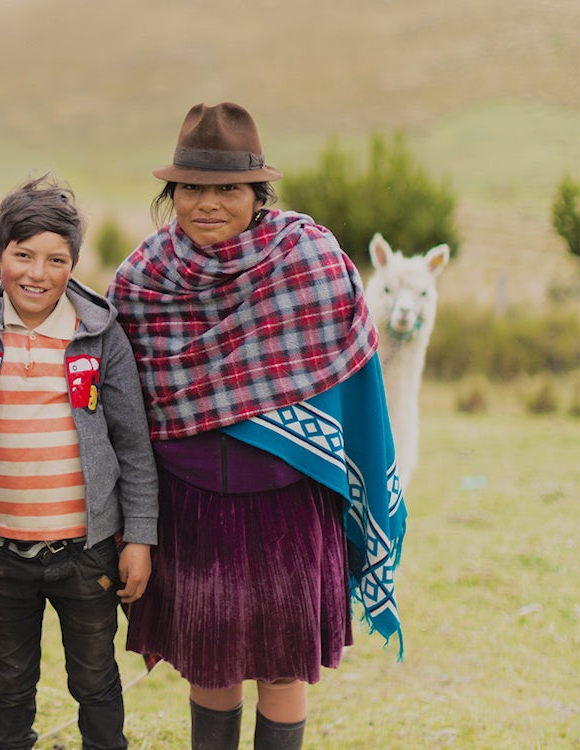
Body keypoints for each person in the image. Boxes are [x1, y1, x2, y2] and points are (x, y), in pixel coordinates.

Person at [106, 103, 407, 750]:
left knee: (282, 668)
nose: (207, 203)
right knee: (211, 669)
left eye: (228, 188)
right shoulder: (142, 281)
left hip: (290, 502)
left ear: (258, 194)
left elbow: (356, 381)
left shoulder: (311, 262)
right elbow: (122, 410)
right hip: (190, 506)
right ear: (171, 193)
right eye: (192, 187)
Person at [0, 175, 158, 750]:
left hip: (86, 551)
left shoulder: (100, 335)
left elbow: (133, 445)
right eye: (23, 255)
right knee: (10, 679)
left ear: (74, 263)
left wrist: (138, 536)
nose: (37, 273)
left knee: (95, 678)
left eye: (55, 259)